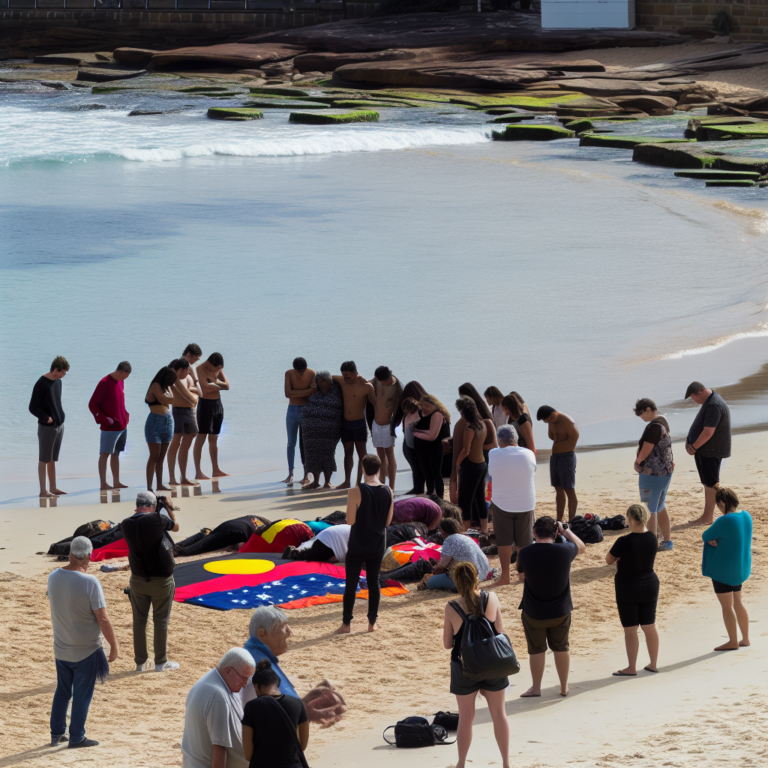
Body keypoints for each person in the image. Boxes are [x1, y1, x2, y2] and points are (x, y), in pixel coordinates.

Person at [48, 535, 118, 749]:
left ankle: (57, 733)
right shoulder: (90, 582)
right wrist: (114, 646)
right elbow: (103, 618)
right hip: (86, 650)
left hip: (61, 647)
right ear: (88, 556)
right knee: (82, 695)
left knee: (62, 691)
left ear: (70, 553)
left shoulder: (53, 576)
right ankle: (77, 737)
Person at [443, 561, 510, 768]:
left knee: (465, 717)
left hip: (464, 666)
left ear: (456, 581)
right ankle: (506, 763)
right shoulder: (492, 598)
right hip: (492, 662)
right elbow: (499, 631)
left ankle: (461, 763)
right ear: (477, 577)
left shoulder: (452, 606)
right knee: (499, 713)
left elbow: (447, 644)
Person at [516, 516, 585, 697]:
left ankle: (536, 688)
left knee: (536, 650)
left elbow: (521, 576)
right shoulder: (565, 550)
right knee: (561, 647)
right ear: (555, 533)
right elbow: (581, 546)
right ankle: (563, 687)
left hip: (534, 610)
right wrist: (566, 531)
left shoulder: (525, 552)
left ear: (534, 532)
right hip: (560, 610)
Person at [242, 606, 347, 724]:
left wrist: (305, 702)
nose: (290, 632)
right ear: (262, 634)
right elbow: (273, 717)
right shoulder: (259, 666)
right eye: (283, 627)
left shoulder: (259, 657)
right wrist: (305, 711)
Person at [121, 490, 180, 672]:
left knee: (139, 621)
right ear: (153, 506)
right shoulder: (157, 519)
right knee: (160, 620)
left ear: (137, 504)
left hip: (137, 578)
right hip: (161, 579)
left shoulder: (125, 524)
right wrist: (169, 507)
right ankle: (160, 662)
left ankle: (140, 663)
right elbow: (176, 526)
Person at [335, 454, 394, 634]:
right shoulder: (388, 490)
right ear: (379, 470)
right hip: (377, 543)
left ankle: (346, 624)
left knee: (351, 584)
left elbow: (350, 520)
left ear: (362, 469)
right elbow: (387, 523)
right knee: (373, 582)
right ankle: (372, 623)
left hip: (358, 543)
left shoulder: (355, 491)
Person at [605, 504, 660, 676]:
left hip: (627, 585)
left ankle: (631, 667)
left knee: (630, 629)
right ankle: (653, 663)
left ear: (630, 518)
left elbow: (608, 560)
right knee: (649, 626)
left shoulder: (624, 541)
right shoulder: (652, 537)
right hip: (650, 583)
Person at [181, 648, 255, 768]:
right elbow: (219, 748)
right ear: (228, 671)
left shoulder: (210, 681)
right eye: (243, 678)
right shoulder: (217, 696)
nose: (245, 684)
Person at [702, 486, 752, 651]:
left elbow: (706, 535)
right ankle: (745, 638)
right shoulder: (746, 516)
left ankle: (732, 641)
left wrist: (711, 539)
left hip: (723, 570)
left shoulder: (725, 520)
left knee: (726, 606)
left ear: (723, 503)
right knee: (738, 601)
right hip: (739, 568)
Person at [488, 424, 537, 587]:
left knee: (504, 540)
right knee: (524, 539)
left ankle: (505, 576)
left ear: (499, 440)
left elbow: (491, 473)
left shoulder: (493, 453)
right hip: (526, 502)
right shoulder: (529, 453)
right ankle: (523, 575)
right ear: (515, 439)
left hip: (502, 503)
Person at [242, 659, 309, 768]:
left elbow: (248, 754)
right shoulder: (298, 704)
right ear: (277, 684)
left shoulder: (251, 707)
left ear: (257, 686)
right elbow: (303, 745)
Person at [684, 382, 731, 526]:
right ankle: (707, 515)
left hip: (711, 451)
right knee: (708, 484)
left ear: (699, 393)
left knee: (711, 485)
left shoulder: (713, 405)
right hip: (707, 450)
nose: (695, 402)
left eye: (693, 398)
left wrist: (693, 446)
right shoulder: (711, 401)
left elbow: (708, 432)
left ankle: (708, 517)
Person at [633, 398, 674, 550]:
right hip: (666, 471)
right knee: (660, 506)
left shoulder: (655, 427)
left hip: (653, 473)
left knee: (650, 508)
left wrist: (637, 462)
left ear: (649, 409)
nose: (641, 417)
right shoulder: (663, 421)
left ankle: (652, 542)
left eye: (642, 413)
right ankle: (667, 541)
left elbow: (645, 451)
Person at [29, 355, 69, 497]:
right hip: (47, 427)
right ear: (56, 370)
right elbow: (32, 407)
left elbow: (56, 402)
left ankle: (53, 487)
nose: (64, 375)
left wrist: (60, 416)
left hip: (59, 425)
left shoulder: (58, 382)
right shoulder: (41, 383)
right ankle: (43, 491)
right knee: (44, 459)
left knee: (52, 459)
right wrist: (47, 418)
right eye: (63, 372)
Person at [88, 361, 132, 492]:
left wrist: (125, 414)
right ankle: (103, 483)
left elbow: (119, 400)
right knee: (104, 454)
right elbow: (92, 404)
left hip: (122, 426)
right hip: (109, 428)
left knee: (116, 454)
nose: (126, 378)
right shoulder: (104, 382)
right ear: (121, 371)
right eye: (126, 375)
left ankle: (116, 482)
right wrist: (104, 419)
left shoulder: (121, 381)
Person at [332, 361, 376, 489]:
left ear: (355, 373)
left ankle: (360, 482)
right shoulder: (341, 380)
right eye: (344, 374)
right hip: (346, 422)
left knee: (362, 454)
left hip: (359, 423)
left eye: (348, 374)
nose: (346, 377)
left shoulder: (366, 386)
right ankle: (346, 481)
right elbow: (327, 377)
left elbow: (375, 404)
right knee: (348, 452)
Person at [301, 371, 343, 490]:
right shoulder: (313, 392)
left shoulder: (336, 391)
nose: (324, 385)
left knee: (328, 454)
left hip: (330, 431)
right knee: (313, 455)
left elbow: (341, 379)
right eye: (321, 382)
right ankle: (315, 482)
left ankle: (327, 482)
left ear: (331, 382)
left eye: (326, 382)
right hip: (311, 432)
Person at [452, 396, 489, 532]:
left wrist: (457, 463)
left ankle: (464, 529)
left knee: (464, 499)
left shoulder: (470, 429)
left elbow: (466, 449)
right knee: (479, 498)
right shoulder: (482, 424)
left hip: (471, 466)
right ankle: (484, 529)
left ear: (464, 412)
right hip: (481, 464)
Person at [536, 405, 579, 521]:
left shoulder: (567, 421)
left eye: (548, 419)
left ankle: (572, 520)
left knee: (569, 489)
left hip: (566, 457)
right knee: (558, 488)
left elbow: (575, 437)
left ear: (553, 414)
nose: (548, 422)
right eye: (546, 421)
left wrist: (565, 449)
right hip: (555, 457)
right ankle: (559, 519)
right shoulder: (551, 421)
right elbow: (554, 437)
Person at [425, 518, 492, 590]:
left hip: (468, 579)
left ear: (443, 529)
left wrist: (433, 573)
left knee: (430, 582)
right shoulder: (465, 537)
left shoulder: (449, 540)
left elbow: (441, 566)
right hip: (483, 574)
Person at [194, 352, 230, 481]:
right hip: (205, 405)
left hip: (217, 404)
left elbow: (227, 386)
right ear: (210, 364)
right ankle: (198, 471)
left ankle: (216, 469)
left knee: (214, 438)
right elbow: (205, 389)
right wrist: (215, 385)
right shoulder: (201, 369)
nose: (219, 371)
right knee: (201, 437)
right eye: (217, 368)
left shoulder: (218, 368)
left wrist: (213, 385)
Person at [167, 358, 202, 487]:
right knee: (176, 440)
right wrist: (192, 395)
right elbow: (187, 396)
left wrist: (192, 393)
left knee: (189, 438)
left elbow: (199, 393)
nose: (189, 372)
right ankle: (172, 477)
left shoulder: (188, 378)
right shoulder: (172, 379)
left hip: (190, 411)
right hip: (178, 411)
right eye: (187, 370)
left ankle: (184, 476)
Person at [284, 357, 316, 486]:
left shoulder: (311, 373)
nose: (302, 373)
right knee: (291, 443)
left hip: (305, 410)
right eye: (299, 372)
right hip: (291, 410)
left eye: (303, 371)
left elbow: (313, 391)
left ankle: (306, 474)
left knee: (305, 443)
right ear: (295, 369)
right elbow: (287, 393)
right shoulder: (289, 373)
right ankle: (290, 473)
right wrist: (305, 392)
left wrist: (295, 392)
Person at [391, 380, 428, 494]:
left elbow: (396, 417)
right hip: (425, 439)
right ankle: (423, 486)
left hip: (410, 440)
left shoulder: (406, 402)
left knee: (415, 465)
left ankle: (418, 487)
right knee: (421, 465)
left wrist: (393, 430)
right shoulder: (426, 403)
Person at [369, 366, 403, 490]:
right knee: (380, 455)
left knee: (390, 454)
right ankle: (382, 482)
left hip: (388, 424)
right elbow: (367, 384)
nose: (382, 383)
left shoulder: (397, 387)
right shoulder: (376, 380)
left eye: (384, 381)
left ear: (389, 377)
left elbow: (403, 405)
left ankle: (392, 487)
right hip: (375, 423)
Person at [144, 366, 177, 492]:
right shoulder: (156, 385)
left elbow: (171, 399)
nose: (171, 384)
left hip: (167, 422)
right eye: (170, 381)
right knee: (154, 456)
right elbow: (164, 399)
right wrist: (179, 398)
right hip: (155, 423)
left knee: (161, 457)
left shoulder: (166, 387)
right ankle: (149, 487)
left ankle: (159, 485)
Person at [413, 394, 451, 498]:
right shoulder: (425, 414)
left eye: (425, 405)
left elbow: (432, 436)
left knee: (436, 474)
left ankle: (439, 497)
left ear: (432, 404)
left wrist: (415, 433)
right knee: (428, 474)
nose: (423, 408)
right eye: (422, 406)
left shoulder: (437, 414)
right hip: (424, 450)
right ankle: (431, 494)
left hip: (434, 449)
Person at [175, 516, 260, 557]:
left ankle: (201, 535)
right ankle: (172, 551)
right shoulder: (265, 535)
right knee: (189, 551)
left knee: (208, 537)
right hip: (234, 532)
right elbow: (242, 546)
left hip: (230, 525)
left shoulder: (261, 520)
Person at [285, 523, 351, 563]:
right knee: (312, 557)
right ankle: (294, 553)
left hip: (329, 536)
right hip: (329, 541)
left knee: (315, 554)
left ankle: (298, 553)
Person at [399, 397, 424, 494]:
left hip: (417, 444)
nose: (404, 411)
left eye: (405, 409)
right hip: (408, 444)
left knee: (418, 468)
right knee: (415, 467)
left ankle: (418, 488)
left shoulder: (419, 413)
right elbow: (404, 430)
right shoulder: (406, 416)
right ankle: (417, 487)